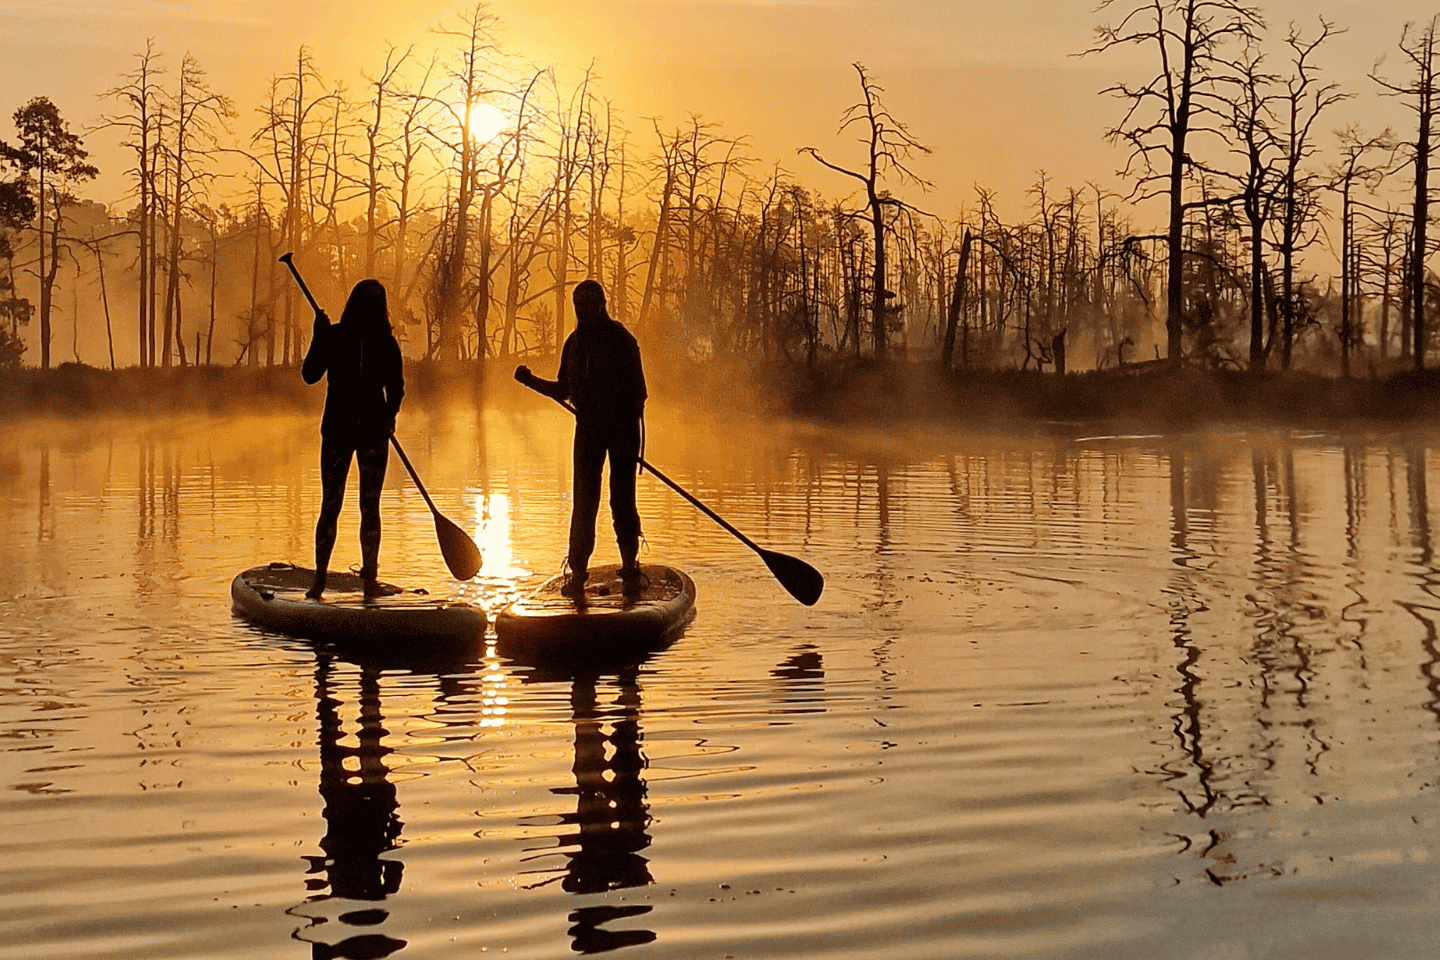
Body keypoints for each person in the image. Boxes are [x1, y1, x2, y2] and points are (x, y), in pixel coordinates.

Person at [515, 279, 647, 598]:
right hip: (588, 429)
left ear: (602, 305)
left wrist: (620, 425)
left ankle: (629, 566)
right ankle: (578, 573)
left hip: (621, 430)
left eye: (590, 305)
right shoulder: (574, 344)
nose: (585, 311)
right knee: (584, 502)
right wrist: (531, 382)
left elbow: (639, 395)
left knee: (621, 498)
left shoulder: (622, 340)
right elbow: (565, 389)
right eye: (579, 306)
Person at [301, 278, 405, 600]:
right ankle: (320, 580)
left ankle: (369, 579)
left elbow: (397, 388)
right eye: (368, 302)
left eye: (376, 303)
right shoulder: (334, 336)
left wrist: (389, 415)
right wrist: (318, 337)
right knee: (332, 505)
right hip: (339, 432)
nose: (372, 308)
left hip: (371, 433)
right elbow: (310, 374)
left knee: (369, 507)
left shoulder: (386, 344)